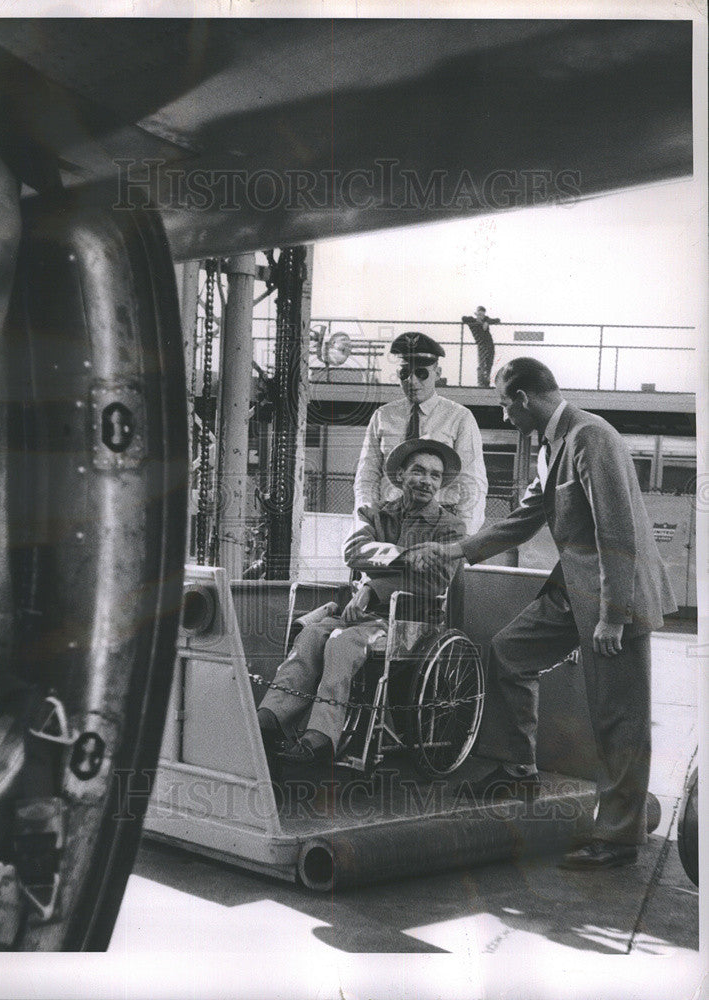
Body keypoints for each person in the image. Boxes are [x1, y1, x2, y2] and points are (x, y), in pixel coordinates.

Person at [407, 358, 677, 870]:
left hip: (611, 599)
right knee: (509, 651)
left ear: (525, 398)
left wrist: (613, 617)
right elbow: (526, 518)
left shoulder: (591, 437)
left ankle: (620, 837)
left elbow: (616, 531)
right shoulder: (554, 445)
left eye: (505, 404)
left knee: (620, 718)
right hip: (573, 591)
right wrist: (457, 550)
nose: (505, 415)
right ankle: (519, 766)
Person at [257, 438, 465, 768]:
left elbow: (435, 581)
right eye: (419, 471)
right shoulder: (378, 514)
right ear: (401, 475)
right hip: (357, 613)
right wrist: (404, 556)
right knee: (310, 636)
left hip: (409, 620)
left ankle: (321, 738)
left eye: (435, 476)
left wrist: (372, 588)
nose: (427, 481)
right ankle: (270, 720)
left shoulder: (449, 527)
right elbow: (353, 552)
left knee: (341, 643)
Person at [354, 332, 488, 534]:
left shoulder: (460, 417)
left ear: (437, 372)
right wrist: (366, 521)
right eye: (404, 373)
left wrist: (465, 534)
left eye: (421, 373)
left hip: (439, 524)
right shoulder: (382, 416)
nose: (412, 381)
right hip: (389, 521)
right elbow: (367, 475)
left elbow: (472, 481)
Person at [462, 306, 500, 387]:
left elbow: (497, 320)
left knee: (489, 364)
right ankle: (480, 383)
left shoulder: (486, 320)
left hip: (490, 345)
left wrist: (486, 321)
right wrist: (477, 321)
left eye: (482, 315)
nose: (480, 316)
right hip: (481, 345)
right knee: (482, 365)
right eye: (479, 314)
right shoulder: (472, 321)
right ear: (476, 314)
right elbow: (463, 318)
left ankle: (487, 383)